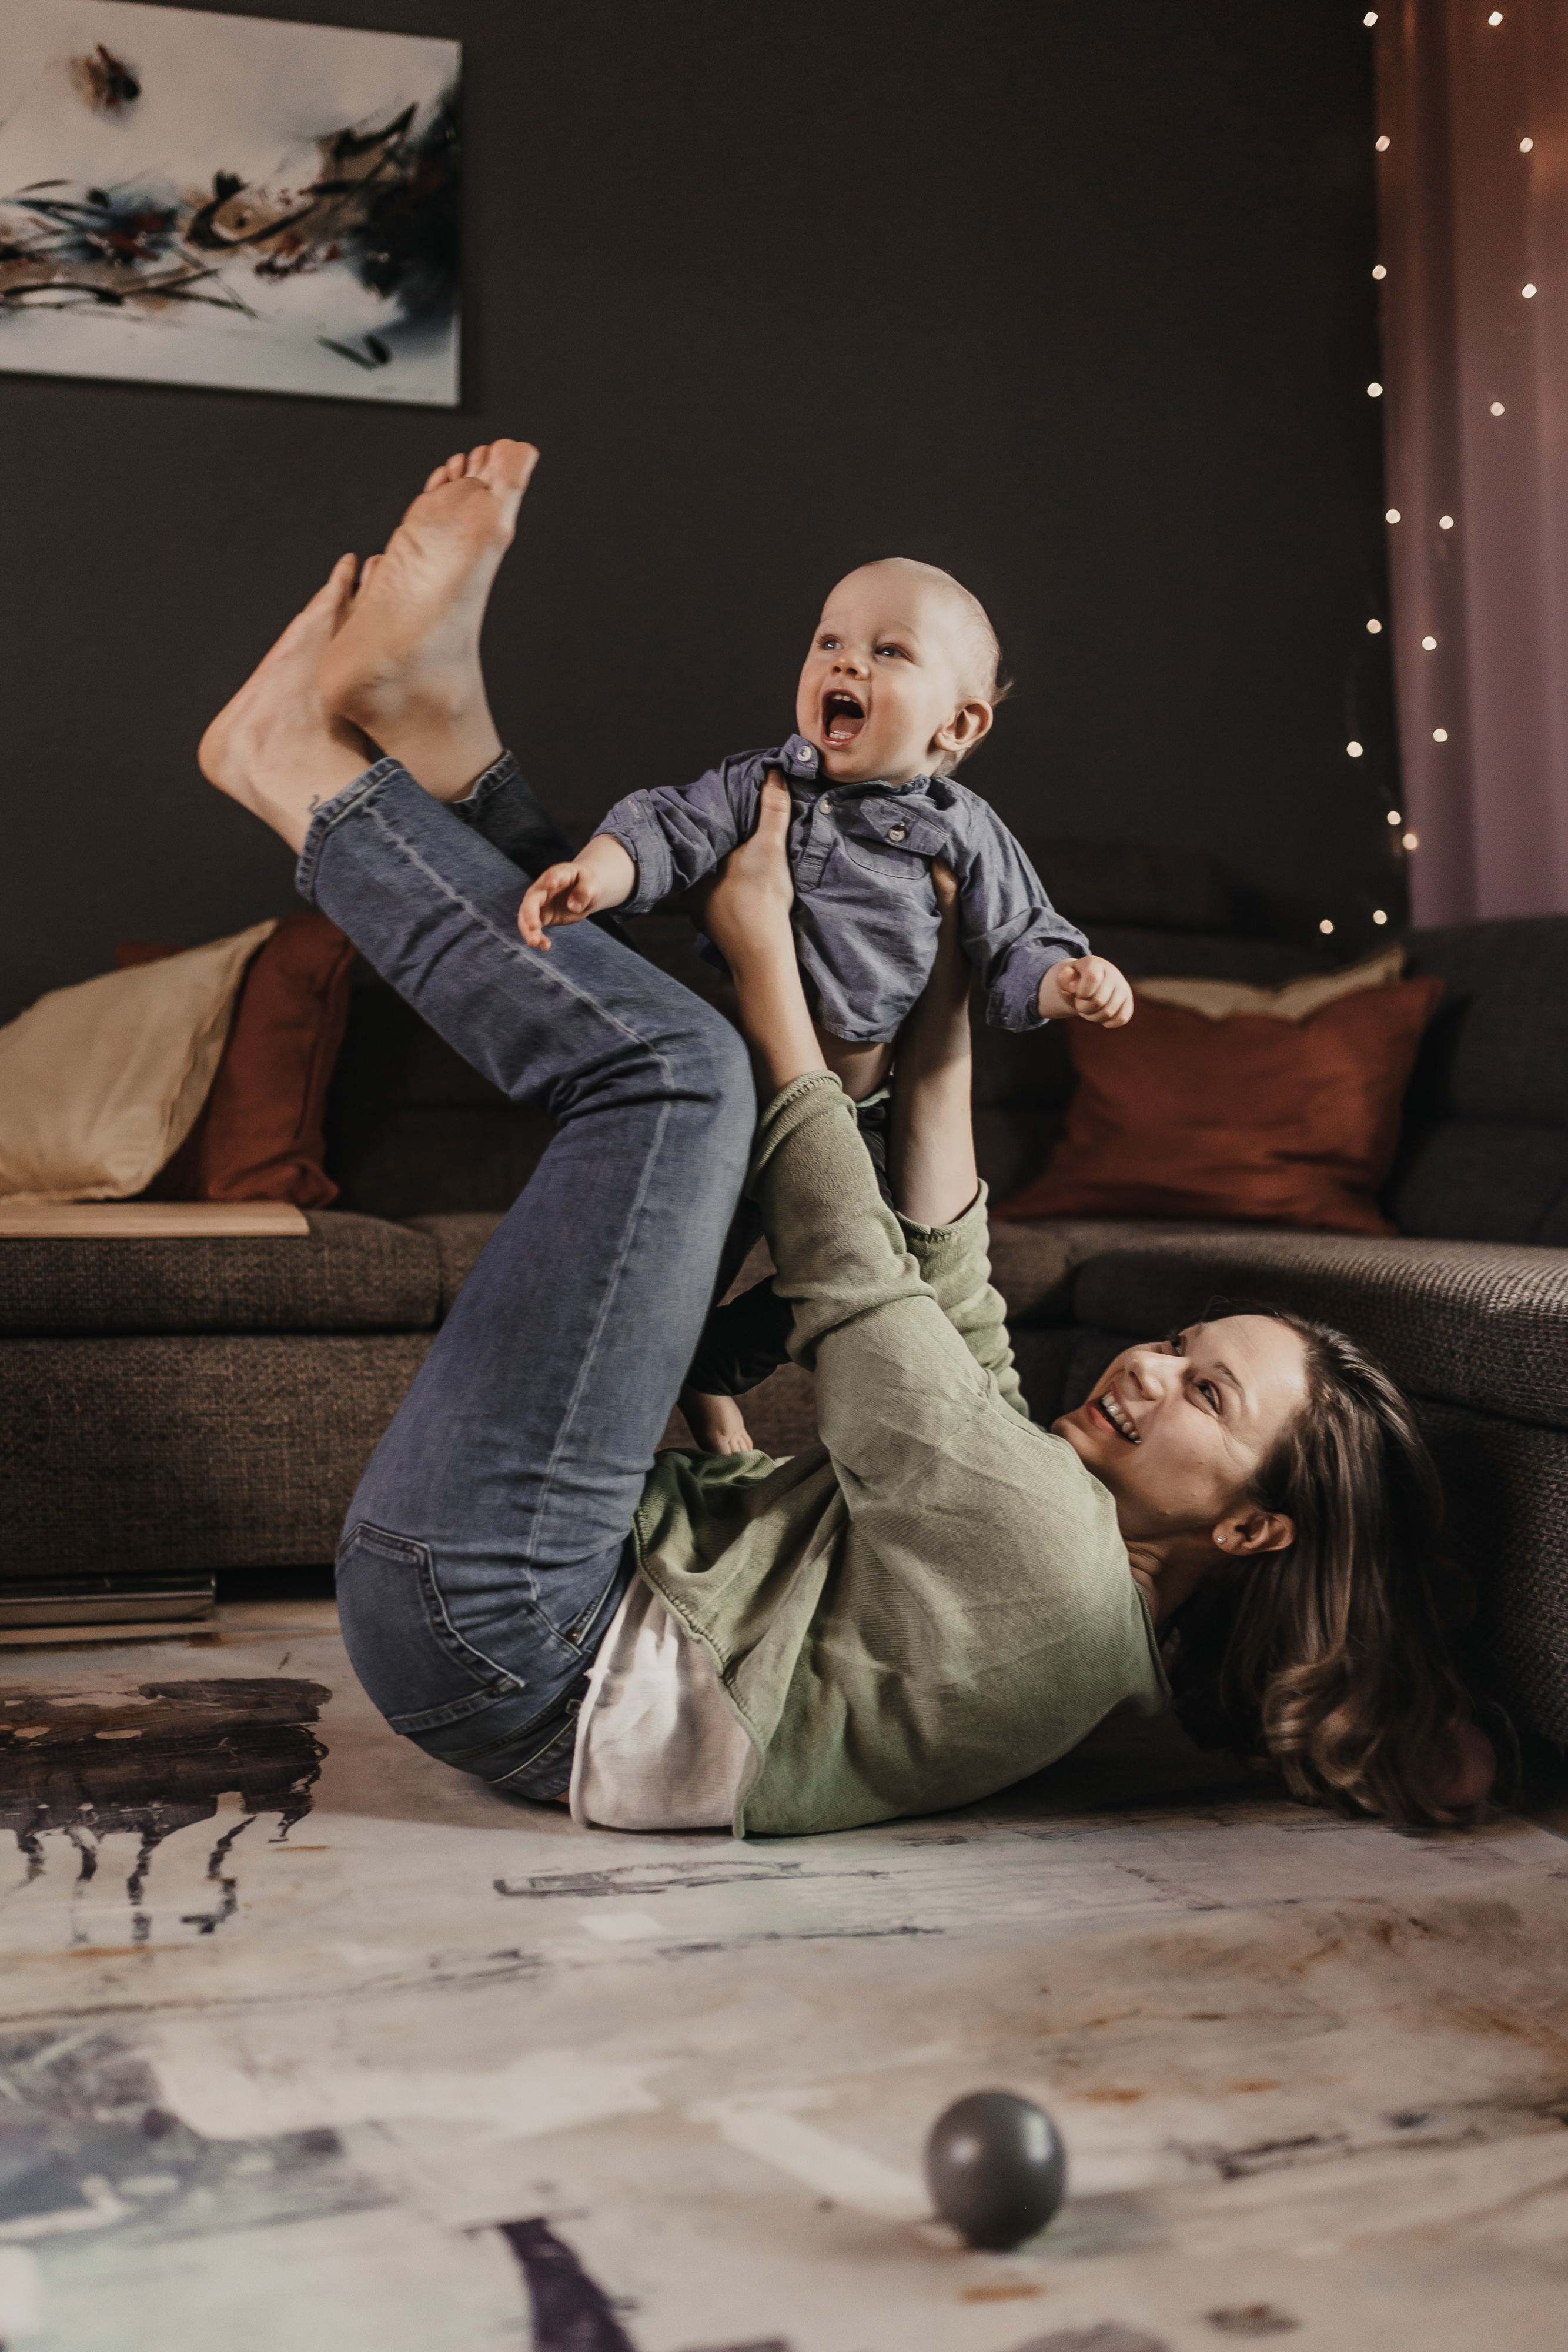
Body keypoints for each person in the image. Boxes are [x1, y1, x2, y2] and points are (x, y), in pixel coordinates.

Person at [199, 436, 1495, 1831]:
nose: (1148, 1366)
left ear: (1248, 1527)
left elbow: (856, 1286)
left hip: (507, 1636)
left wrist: (767, 968)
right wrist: (943, 1013)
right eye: (1184, 1347)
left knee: (690, 1074)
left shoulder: (1056, 1572)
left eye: (1205, 1394)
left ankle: (294, 773)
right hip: (541, 1593)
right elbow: (953, 1296)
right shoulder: (1063, 1540)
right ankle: (441, 733)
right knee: (725, 1063)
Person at [510, 552, 1136, 1454]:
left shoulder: (964, 828)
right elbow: (664, 827)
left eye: (888, 652)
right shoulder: (762, 786)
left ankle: (716, 1369)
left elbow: (1018, 939)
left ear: (957, 724)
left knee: (873, 1276)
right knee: (673, 1276)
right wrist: (595, 877)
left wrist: (1067, 983)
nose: (846, 665)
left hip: (866, 1118)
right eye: (830, 642)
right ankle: (626, 1415)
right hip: (740, 1096)